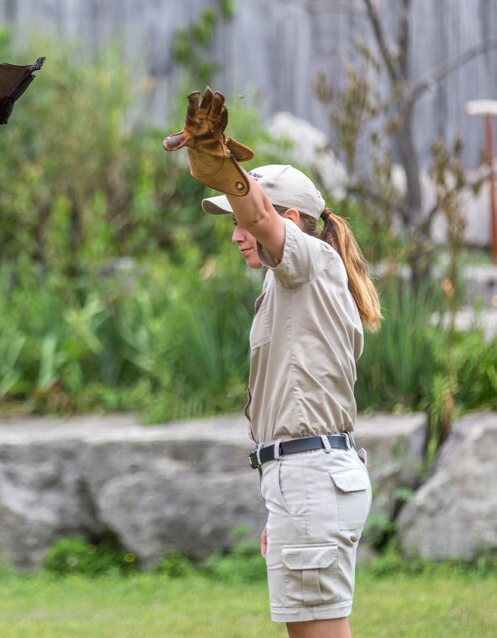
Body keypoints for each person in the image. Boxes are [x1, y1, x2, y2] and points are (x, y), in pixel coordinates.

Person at [164, 88, 382, 638]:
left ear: (287, 217)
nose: (236, 234)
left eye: (239, 217)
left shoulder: (309, 261)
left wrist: (226, 167)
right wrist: (280, 504)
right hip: (301, 481)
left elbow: (260, 218)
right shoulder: (291, 283)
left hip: (311, 478)